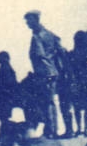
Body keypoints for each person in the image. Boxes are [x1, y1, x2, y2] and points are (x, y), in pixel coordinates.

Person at [25, 9, 68, 138]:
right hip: (52, 72)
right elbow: (62, 50)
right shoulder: (50, 34)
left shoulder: (37, 37)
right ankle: (52, 129)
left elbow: (39, 56)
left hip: (44, 73)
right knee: (50, 102)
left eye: (29, 20)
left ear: (36, 20)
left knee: (46, 102)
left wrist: (43, 73)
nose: (27, 23)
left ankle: (51, 130)